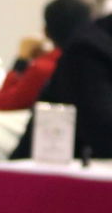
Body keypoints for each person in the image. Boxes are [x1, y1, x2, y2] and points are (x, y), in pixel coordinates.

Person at [10, 11, 112, 160]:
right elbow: (102, 133)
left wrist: (21, 60)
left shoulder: (45, 63)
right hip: (47, 169)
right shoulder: (87, 50)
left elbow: (3, 101)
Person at [0, 0, 93, 111]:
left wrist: (21, 61)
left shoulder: (44, 67)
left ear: (46, 31)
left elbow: (2, 104)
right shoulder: (98, 61)